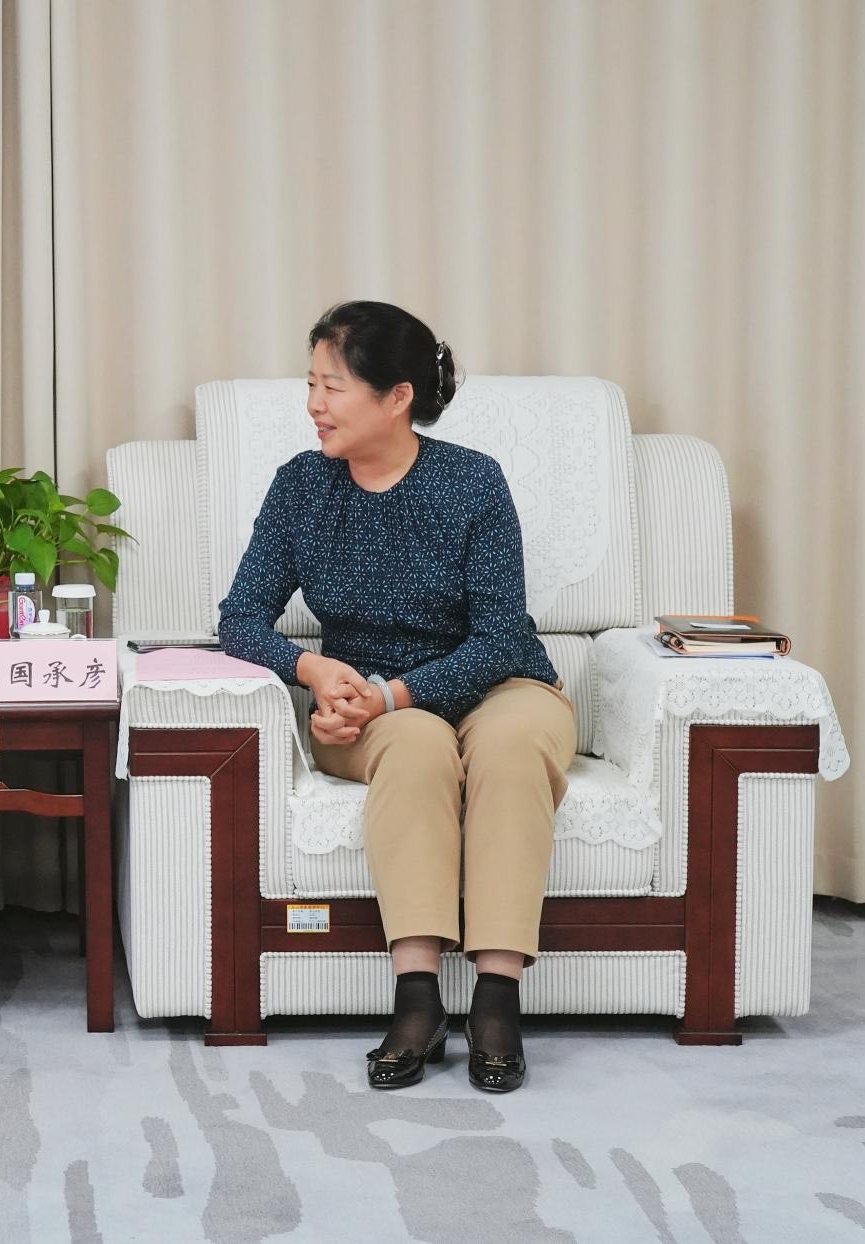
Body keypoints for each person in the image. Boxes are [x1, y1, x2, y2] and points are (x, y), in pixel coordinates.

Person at [218, 300, 575, 1093]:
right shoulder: (301, 486)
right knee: (415, 746)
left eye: (332, 386)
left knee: (510, 746)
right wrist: (312, 672)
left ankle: (495, 999)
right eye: (310, 384)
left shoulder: (471, 481)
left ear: (397, 397)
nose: (313, 404)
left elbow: (498, 638)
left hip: (499, 684)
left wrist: (394, 694)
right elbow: (239, 618)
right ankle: (417, 999)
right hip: (370, 710)